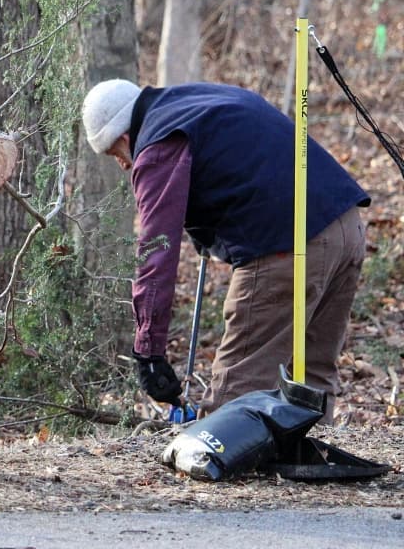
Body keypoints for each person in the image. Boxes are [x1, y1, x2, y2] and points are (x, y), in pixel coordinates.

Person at [81, 79, 369, 420]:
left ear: (124, 137)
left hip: (285, 244)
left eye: (116, 154)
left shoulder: (157, 143)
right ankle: (307, 460)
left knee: (233, 399)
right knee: (310, 378)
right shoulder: (198, 99)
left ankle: (222, 470)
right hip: (346, 228)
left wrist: (148, 350)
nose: (124, 165)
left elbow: (155, 252)